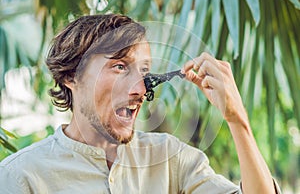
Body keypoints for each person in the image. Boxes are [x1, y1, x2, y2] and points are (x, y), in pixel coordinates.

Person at [0, 14, 280, 193]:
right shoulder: (21, 177)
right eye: (120, 67)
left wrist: (236, 119)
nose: (139, 89)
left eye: (144, 72)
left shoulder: (172, 159)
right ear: (72, 76)